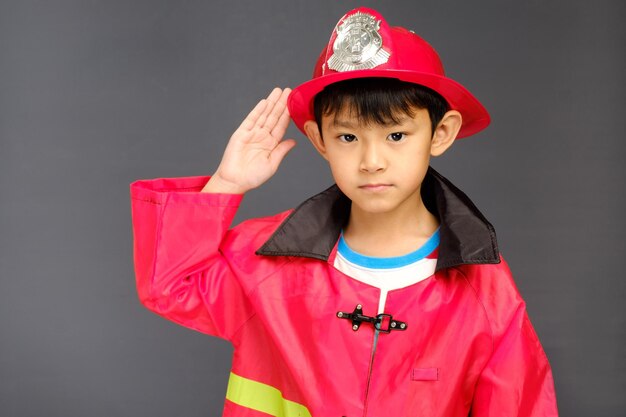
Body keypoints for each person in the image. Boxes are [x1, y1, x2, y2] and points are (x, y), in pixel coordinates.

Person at [130, 7, 558, 416]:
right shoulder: (268, 261)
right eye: (348, 138)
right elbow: (170, 287)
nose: (372, 160)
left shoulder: (484, 290)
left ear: (441, 133)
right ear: (320, 140)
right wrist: (228, 183)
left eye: (396, 135)